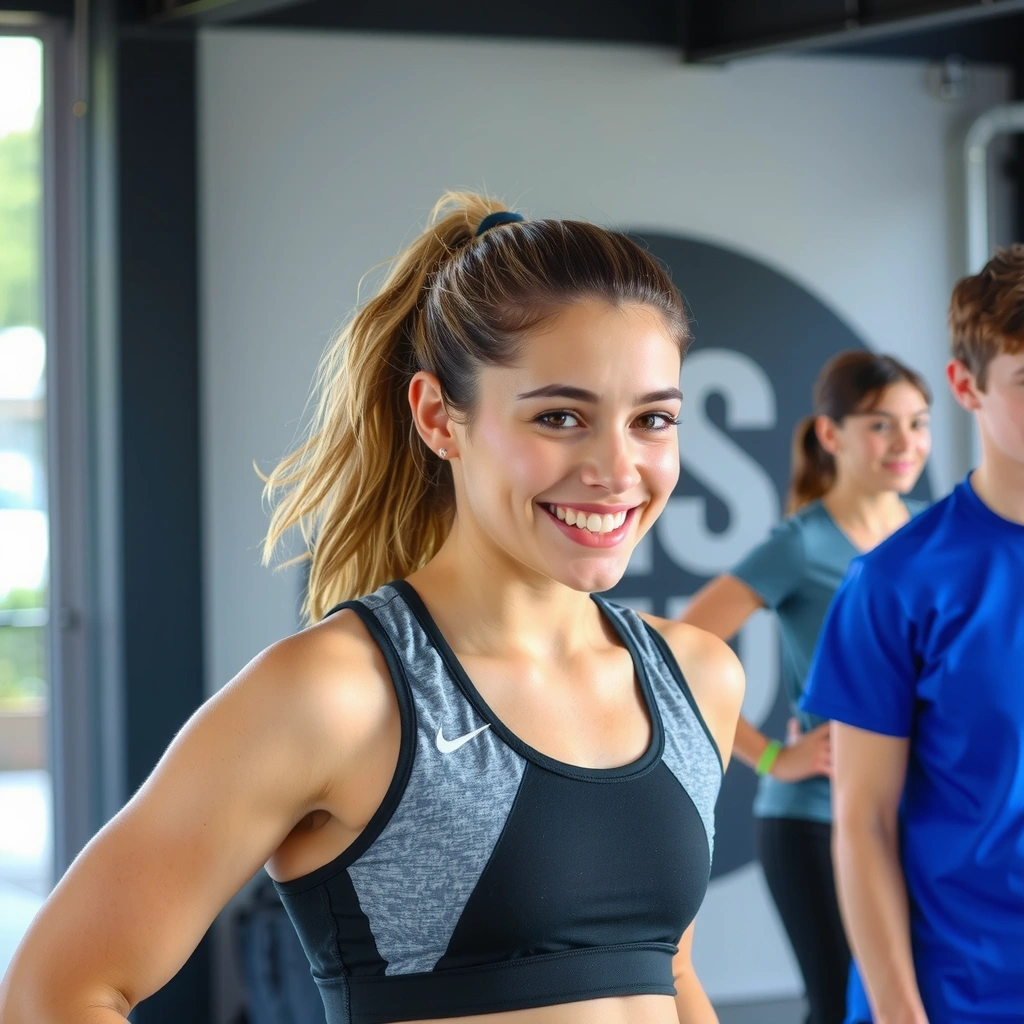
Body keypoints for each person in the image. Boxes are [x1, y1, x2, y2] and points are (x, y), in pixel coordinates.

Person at [0, 194, 744, 1024]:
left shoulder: (696, 678)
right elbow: (53, 993)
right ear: (438, 418)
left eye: (653, 420)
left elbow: (669, 972)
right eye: (560, 417)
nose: (616, 467)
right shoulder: (338, 693)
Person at [800, 247, 1024, 1024]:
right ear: (967, 387)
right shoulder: (896, 584)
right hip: (955, 997)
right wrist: (901, 1013)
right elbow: (862, 823)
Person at [678, 350, 932, 1024]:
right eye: (881, 425)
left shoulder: (934, 534)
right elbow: (678, 650)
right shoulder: (802, 544)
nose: (906, 444)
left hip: (920, 819)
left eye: (918, 423)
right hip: (813, 824)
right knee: (841, 1005)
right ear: (832, 434)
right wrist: (771, 757)